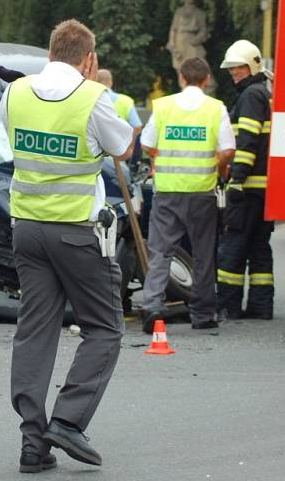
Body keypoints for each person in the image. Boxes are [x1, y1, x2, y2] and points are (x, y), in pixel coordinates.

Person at [1, 19, 133, 473]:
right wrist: (95, 90)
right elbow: (123, 146)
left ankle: (32, 446)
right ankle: (68, 421)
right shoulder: (92, 98)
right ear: (89, 59)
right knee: (105, 327)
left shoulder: (15, 92)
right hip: (76, 232)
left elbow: (9, 140)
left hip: (26, 230)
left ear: (50, 51)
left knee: (35, 331)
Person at [139, 57, 235, 332]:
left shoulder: (164, 106)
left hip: (167, 191)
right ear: (206, 80)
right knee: (204, 254)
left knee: (160, 251)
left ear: (181, 78)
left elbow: (146, 143)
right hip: (201, 193)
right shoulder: (215, 109)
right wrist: (219, 165)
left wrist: (161, 155)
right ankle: (203, 314)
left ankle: (153, 307)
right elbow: (228, 149)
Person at [215, 39, 274, 320]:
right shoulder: (264, 92)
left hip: (248, 187)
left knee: (234, 246)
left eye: (238, 67)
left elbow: (247, 141)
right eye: (231, 69)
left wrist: (236, 180)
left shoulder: (251, 95)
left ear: (251, 66)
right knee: (259, 247)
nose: (233, 73)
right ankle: (261, 307)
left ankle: (229, 306)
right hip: (263, 189)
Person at [166, 0, 209, 74]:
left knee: (199, 67)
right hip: (180, 42)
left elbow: (203, 29)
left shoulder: (199, 13)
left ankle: (205, 86)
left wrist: (196, 39)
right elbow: (173, 29)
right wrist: (172, 43)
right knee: (181, 69)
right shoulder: (179, 12)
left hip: (192, 41)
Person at [96, 68, 143, 135]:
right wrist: (127, 143)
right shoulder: (126, 101)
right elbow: (137, 127)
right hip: (119, 144)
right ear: (110, 82)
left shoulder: (88, 99)